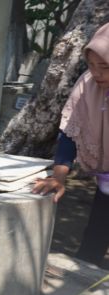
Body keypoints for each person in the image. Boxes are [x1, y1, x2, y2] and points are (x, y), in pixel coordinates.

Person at [32, 23, 109, 266]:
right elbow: (69, 131)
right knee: (94, 240)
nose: (97, 74)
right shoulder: (87, 85)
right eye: (91, 65)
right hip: (107, 181)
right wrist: (59, 177)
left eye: (105, 67)